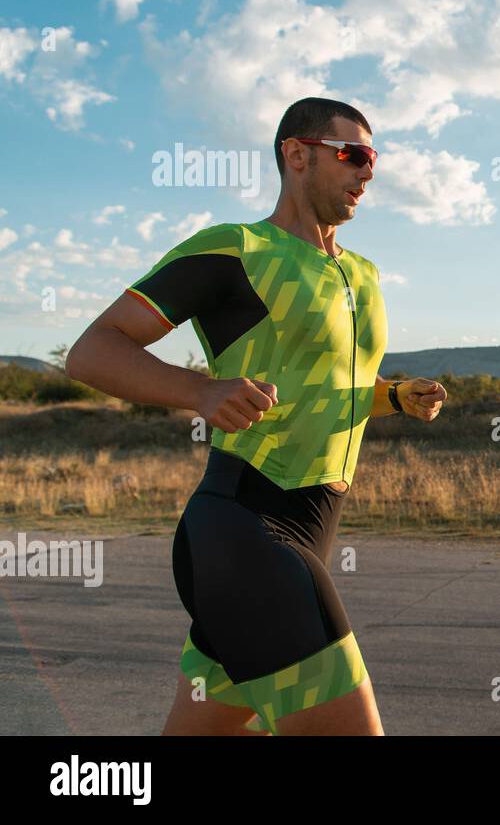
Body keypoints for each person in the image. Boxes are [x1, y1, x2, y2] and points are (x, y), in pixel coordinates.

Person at [65, 97, 448, 735]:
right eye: (352, 154)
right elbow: (93, 350)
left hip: (311, 528)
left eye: (373, 159)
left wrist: (393, 395)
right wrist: (199, 391)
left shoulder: (363, 274)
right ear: (296, 155)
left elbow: (329, 382)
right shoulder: (236, 249)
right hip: (246, 530)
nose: (368, 172)